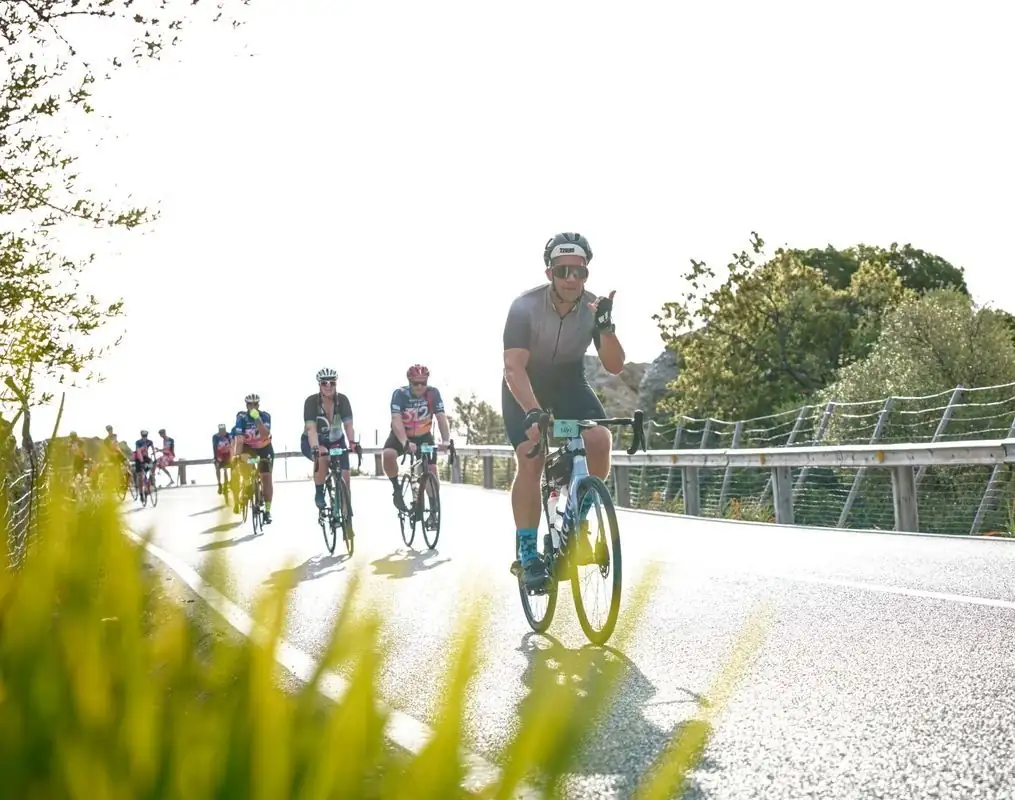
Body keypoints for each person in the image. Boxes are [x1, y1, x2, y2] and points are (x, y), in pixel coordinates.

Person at [501, 232, 626, 590]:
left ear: (587, 273)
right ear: (549, 273)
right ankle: (527, 553)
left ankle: (578, 524)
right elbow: (513, 367)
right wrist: (533, 411)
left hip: (569, 382)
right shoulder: (524, 307)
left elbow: (615, 365)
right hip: (526, 382)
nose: (571, 279)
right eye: (562, 271)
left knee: (599, 439)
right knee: (532, 455)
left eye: (579, 271)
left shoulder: (593, 307)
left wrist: (606, 328)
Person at [383, 364, 452, 512]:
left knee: (431, 470)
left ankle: (434, 509)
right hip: (401, 435)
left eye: (423, 383)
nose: (420, 386)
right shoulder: (399, 394)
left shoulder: (433, 393)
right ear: (409, 382)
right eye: (415, 383)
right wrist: (405, 442)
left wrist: (446, 440)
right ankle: (397, 489)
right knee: (388, 454)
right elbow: (396, 420)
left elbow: (441, 417)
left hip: (423, 436)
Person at [301, 367, 361, 511]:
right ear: (319, 385)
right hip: (314, 440)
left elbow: (348, 425)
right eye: (324, 383)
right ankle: (319, 491)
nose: (328, 386)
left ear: (336, 384)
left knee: (345, 479)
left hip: (336, 440)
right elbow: (311, 429)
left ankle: (347, 518)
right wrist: (315, 448)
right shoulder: (311, 402)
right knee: (322, 455)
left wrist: (352, 443)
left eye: (332, 383)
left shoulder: (342, 400)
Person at [230, 392, 274, 523]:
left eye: (255, 404)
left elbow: (265, 434)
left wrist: (257, 419)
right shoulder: (241, 417)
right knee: (244, 459)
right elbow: (239, 438)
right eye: (250, 404)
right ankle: (248, 483)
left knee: (266, 478)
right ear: (246, 405)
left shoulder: (265, 416)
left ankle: (267, 511)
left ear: (258, 405)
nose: (253, 406)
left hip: (264, 447)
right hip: (248, 448)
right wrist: (236, 455)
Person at [212, 424, 233, 497]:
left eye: (223, 431)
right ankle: (219, 483)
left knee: (232, 466)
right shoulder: (215, 437)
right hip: (219, 454)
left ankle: (232, 481)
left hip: (228, 454)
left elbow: (232, 445)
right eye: (221, 431)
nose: (222, 433)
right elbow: (214, 447)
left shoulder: (229, 435)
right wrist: (215, 457)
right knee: (217, 467)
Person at [133, 429, 156, 494]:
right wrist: (142, 461)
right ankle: (140, 491)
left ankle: (151, 480)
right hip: (138, 458)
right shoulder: (138, 442)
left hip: (145, 457)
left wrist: (155, 458)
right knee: (139, 474)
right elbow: (138, 452)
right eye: (143, 436)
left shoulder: (150, 442)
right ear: (141, 435)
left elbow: (153, 450)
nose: (144, 437)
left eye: (145, 435)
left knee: (152, 465)